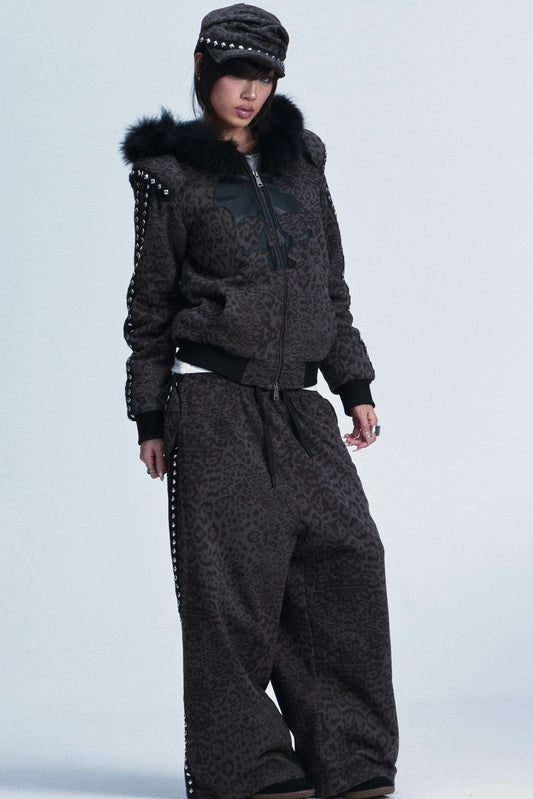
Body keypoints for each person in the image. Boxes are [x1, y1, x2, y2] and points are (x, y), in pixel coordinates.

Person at [121, 5, 399, 799]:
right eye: (237, 74)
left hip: (299, 402)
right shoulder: (170, 176)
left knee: (347, 559)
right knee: (232, 590)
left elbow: (328, 284)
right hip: (211, 402)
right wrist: (149, 412)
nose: (250, 91)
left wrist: (353, 383)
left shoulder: (302, 161)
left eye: (265, 77)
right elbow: (150, 303)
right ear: (203, 69)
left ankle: (349, 758)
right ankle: (242, 767)